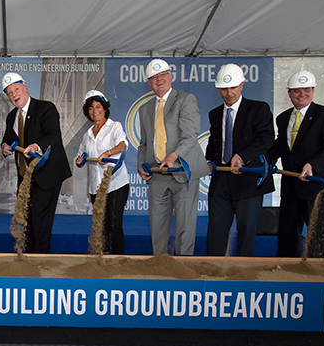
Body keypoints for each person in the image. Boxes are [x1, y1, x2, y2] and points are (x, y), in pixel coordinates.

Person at [268, 70, 324, 258]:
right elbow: (281, 144)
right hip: (291, 186)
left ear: (313, 91)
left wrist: (313, 165)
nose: (302, 94)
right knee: (287, 235)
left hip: (317, 187)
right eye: (297, 91)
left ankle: (317, 274)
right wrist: (265, 160)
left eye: (307, 90)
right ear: (289, 93)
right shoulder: (283, 117)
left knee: (317, 235)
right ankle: (285, 273)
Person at [137, 58, 210, 256]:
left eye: (162, 75)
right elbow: (144, 143)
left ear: (171, 76)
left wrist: (173, 156)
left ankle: (184, 268)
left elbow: (190, 135)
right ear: (149, 82)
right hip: (157, 174)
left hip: (183, 172)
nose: (159, 79)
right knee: (157, 228)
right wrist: (141, 164)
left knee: (185, 228)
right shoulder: (144, 109)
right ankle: (160, 267)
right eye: (153, 77)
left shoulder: (186, 99)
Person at [205, 64, 275, 257]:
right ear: (218, 89)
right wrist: (210, 161)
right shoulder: (215, 113)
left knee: (246, 232)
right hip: (221, 181)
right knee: (216, 231)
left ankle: (243, 275)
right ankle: (213, 272)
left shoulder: (258, 109)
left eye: (233, 87)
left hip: (249, 182)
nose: (229, 93)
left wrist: (242, 157)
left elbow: (266, 138)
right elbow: (214, 143)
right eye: (224, 89)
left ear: (242, 85)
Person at [1, 72, 72, 253]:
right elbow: (8, 139)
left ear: (25, 88)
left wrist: (36, 145)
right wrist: (4, 147)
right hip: (26, 178)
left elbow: (53, 135)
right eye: (9, 92)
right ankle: (30, 258)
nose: (14, 94)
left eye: (16, 89)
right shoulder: (11, 117)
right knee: (27, 221)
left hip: (47, 174)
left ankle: (39, 265)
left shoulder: (45, 108)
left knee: (40, 223)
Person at [75, 90, 130, 254]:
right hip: (96, 187)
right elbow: (81, 155)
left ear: (105, 108)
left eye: (98, 107)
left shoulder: (114, 127)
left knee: (114, 223)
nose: (95, 111)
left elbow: (123, 144)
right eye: (91, 108)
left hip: (116, 184)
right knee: (101, 225)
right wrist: (80, 161)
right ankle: (103, 258)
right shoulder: (87, 134)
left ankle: (119, 260)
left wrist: (109, 153)